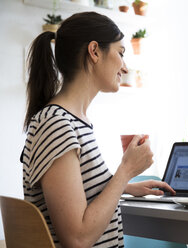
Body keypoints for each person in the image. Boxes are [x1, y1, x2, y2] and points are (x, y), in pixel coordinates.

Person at [20, 12, 175, 248]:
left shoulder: (73, 121)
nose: (124, 67)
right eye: (121, 53)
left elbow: (79, 195)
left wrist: (124, 185)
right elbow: (78, 239)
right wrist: (125, 171)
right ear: (94, 52)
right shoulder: (56, 125)